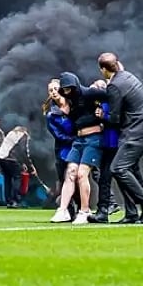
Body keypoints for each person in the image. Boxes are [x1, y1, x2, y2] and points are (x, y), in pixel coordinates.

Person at [98, 52, 143, 224]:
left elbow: (114, 118)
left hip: (136, 133)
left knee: (118, 169)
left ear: (103, 69)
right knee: (129, 170)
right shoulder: (128, 76)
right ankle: (133, 213)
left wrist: (101, 115)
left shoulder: (114, 86)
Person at [52, 71, 108, 224]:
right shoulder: (69, 102)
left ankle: (84, 211)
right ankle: (62, 210)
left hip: (94, 138)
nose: (68, 92)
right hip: (79, 139)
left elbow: (111, 96)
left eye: (70, 88)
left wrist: (104, 111)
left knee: (82, 174)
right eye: (65, 89)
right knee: (70, 172)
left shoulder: (90, 93)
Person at [43, 79, 79, 218]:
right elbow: (58, 135)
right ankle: (69, 212)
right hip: (63, 150)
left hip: (80, 145)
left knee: (80, 178)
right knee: (65, 179)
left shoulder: (74, 104)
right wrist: (76, 138)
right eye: (50, 90)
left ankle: (85, 209)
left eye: (55, 89)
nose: (53, 92)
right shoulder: (51, 115)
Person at [87, 88, 123, 223]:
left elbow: (118, 120)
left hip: (115, 144)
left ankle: (142, 205)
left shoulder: (114, 103)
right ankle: (103, 209)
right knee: (103, 177)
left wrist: (104, 117)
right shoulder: (98, 105)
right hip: (103, 144)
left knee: (118, 175)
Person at [0, 126, 32, 208]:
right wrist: (30, 166)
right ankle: (15, 199)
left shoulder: (11, 133)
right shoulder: (23, 135)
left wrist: (22, 163)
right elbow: (24, 151)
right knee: (17, 177)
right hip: (10, 159)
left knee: (7, 179)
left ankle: (9, 201)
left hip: (1, 158)